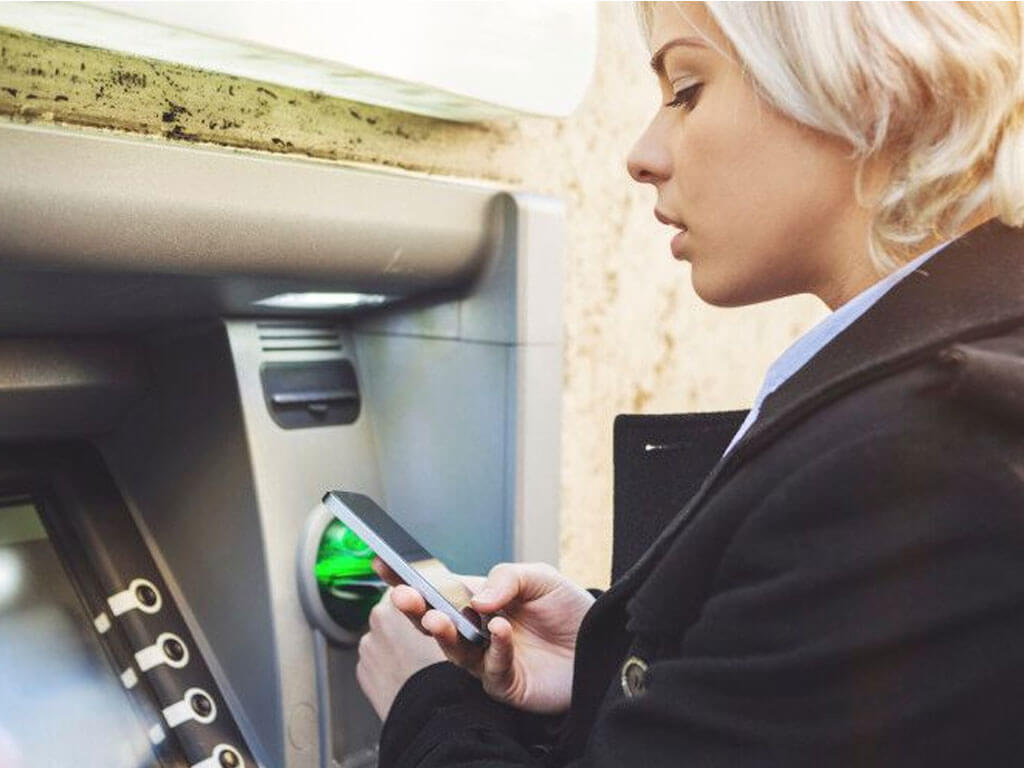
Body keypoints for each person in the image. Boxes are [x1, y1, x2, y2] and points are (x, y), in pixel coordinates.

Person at [355, 2, 1024, 765]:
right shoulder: (948, 382)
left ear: (869, 84)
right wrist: (622, 658)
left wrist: (425, 703)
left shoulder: (924, 455)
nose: (641, 154)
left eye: (686, 89)